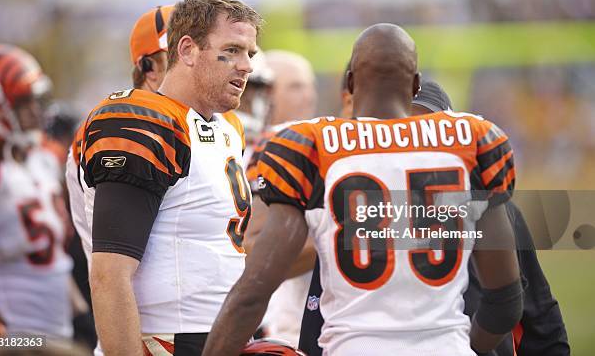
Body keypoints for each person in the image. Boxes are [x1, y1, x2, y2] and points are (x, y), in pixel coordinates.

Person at [202, 24, 523, 356]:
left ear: (351, 83)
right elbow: (506, 302)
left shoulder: (311, 145)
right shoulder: (472, 140)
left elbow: (253, 293)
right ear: (415, 85)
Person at [299, 80, 570, 356]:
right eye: (403, 130)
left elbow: (537, 317)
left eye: (424, 129)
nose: (414, 143)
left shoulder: (495, 210)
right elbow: (319, 316)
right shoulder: (348, 214)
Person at [75, 0, 262, 356]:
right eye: (232, 50)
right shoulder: (144, 121)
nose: (246, 66)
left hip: (222, 334)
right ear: (188, 50)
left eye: (250, 54)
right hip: (165, 339)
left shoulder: (229, 128)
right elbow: (109, 276)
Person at [65, 5, 175, 351]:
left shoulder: (202, 124)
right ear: (148, 66)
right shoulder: (133, 122)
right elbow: (111, 270)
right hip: (144, 330)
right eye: (178, 54)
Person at [0, 44, 78, 339]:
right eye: (24, 102)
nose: (36, 112)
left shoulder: (41, 161)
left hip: (57, 330)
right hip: (12, 336)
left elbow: (55, 261)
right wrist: (1, 333)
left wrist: (83, 318)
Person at [242, 50, 318, 346]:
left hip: (291, 322)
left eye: (309, 85)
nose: (309, 95)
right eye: (295, 86)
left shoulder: (297, 140)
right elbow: (251, 249)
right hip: (281, 325)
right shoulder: (270, 143)